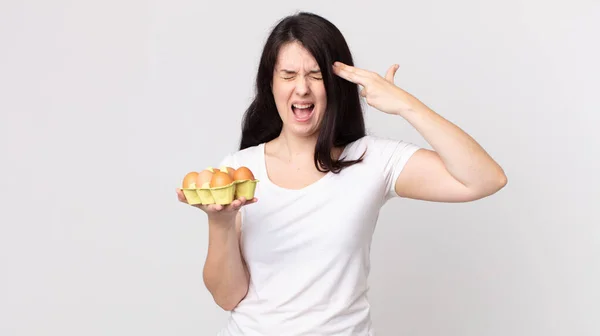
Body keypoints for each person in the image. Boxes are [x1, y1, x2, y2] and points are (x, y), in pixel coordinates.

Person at [176, 11, 507, 336]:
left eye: (316, 75)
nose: (302, 89)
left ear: (337, 84)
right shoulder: (239, 170)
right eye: (288, 75)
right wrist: (219, 223)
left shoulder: (371, 159)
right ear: (270, 84)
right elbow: (227, 297)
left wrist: (405, 104)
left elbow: (484, 179)